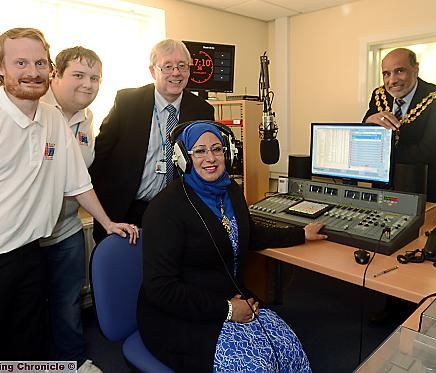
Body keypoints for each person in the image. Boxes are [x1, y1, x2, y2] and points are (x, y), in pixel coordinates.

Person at [0, 28, 138, 361]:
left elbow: (77, 180)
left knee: (25, 346)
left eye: (39, 62)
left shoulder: (52, 119)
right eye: (20, 62)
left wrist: (107, 223)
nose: (32, 71)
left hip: (24, 255)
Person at [137, 121, 327, 372]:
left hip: (231, 298)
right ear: (183, 158)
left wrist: (299, 234)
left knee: (288, 349)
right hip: (179, 318)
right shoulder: (164, 209)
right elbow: (160, 289)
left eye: (217, 149)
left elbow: (251, 234)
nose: (211, 158)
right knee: (256, 366)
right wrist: (227, 309)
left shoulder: (230, 191)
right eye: (200, 151)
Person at [89, 39, 214, 243]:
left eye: (182, 66)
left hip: (175, 213)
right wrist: (98, 208)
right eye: (168, 66)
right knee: (124, 271)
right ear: (152, 70)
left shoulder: (202, 111)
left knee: (164, 272)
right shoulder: (128, 102)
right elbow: (101, 153)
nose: (176, 72)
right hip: (125, 209)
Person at [38, 46, 102, 372]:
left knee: (68, 303)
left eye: (95, 77)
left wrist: (107, 219)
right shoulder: (31, 111)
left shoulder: (86, 119)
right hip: (26, 238)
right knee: (27, 309)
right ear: (55, 75)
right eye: (78, 75)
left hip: (66, 230)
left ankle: (73, 363)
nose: (88, 84)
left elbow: (81, 178)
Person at [363, 48, 436, 218]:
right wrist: (368, 121)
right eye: (386, 73)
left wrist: (381, 159)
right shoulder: (379, 94)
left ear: (415, 69)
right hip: (383, 190)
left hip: (425, 191)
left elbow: (428, 151)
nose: (392, 80)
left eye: (399, 71)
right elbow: (365, 136)